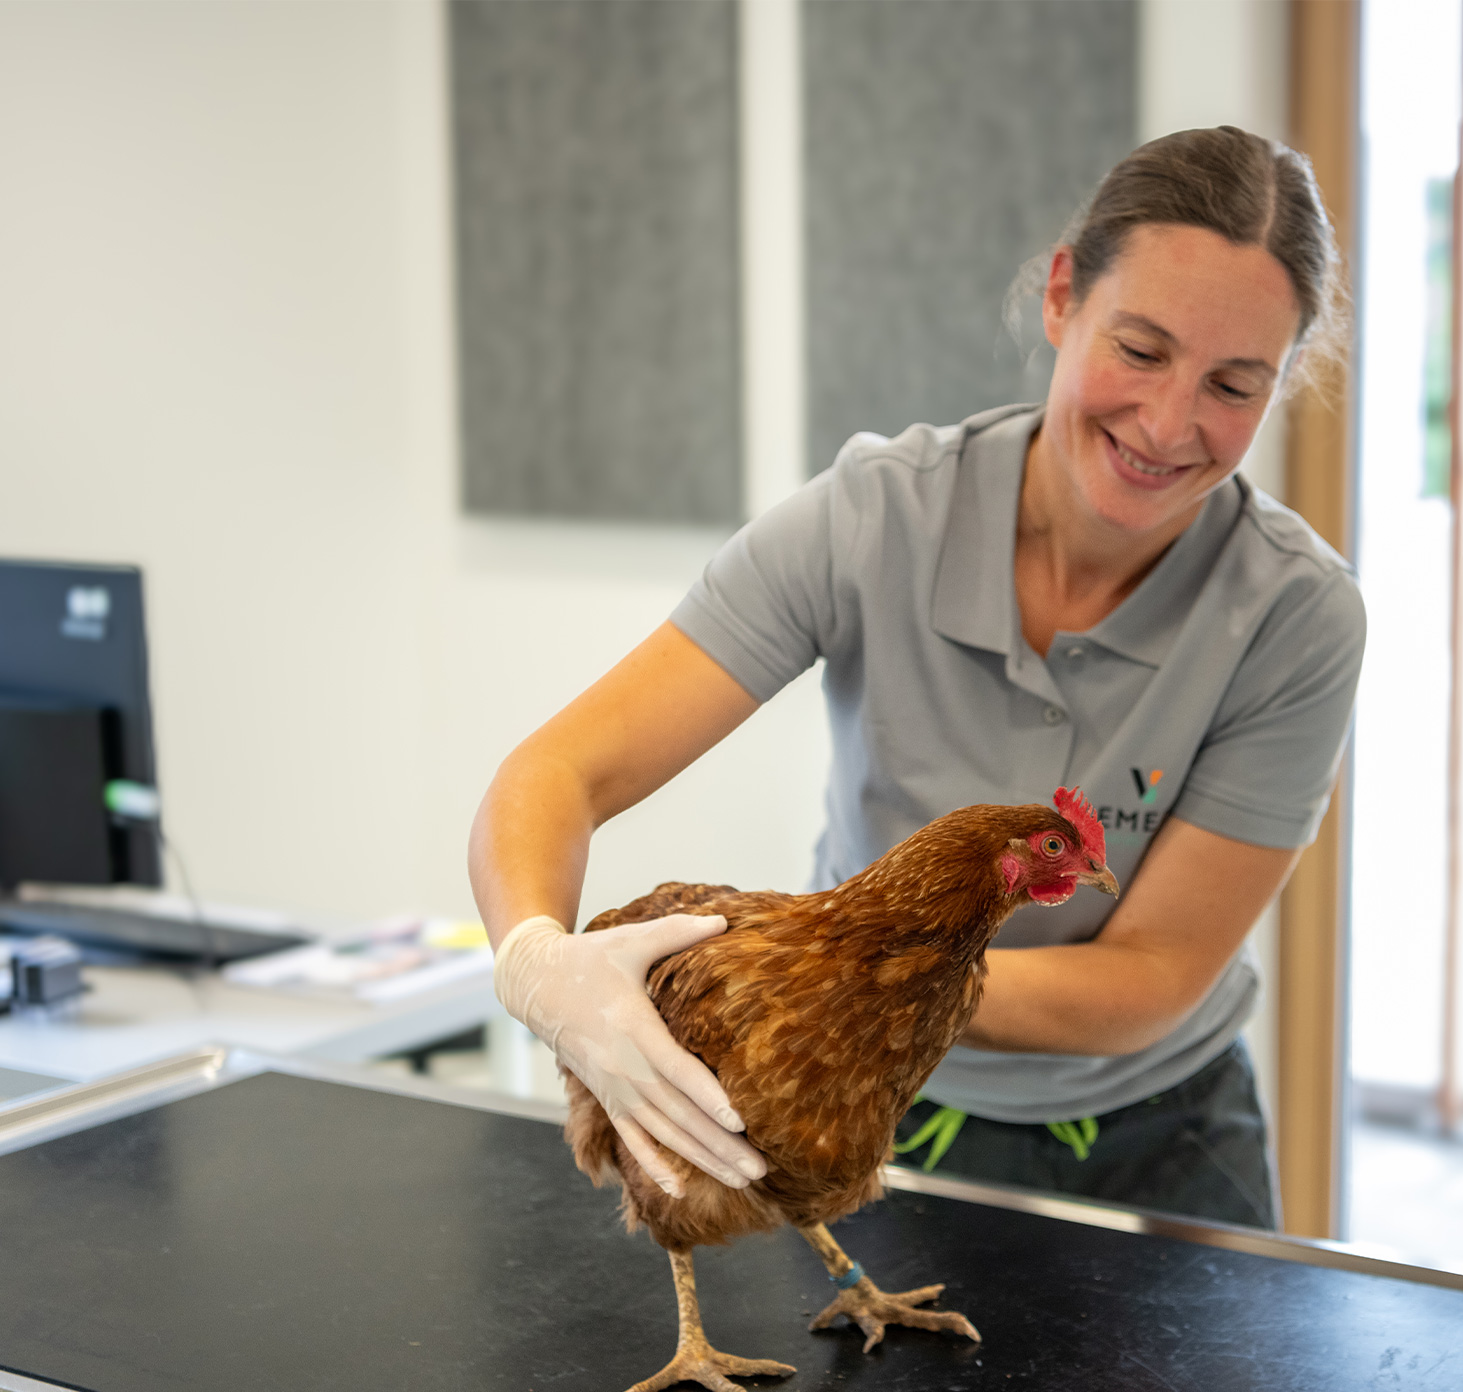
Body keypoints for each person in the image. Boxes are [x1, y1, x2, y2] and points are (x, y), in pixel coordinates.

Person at [470, 126, 1364, 1231]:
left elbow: (1150, 977)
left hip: (1159, 1146)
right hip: (860, 1121)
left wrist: (818, 980)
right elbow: (559, 772)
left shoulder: (1296, 616)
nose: (1170, 423)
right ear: (1060, 296)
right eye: (1139, 350)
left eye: (1235, 384)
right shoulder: (875, 517)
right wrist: (541, 965)